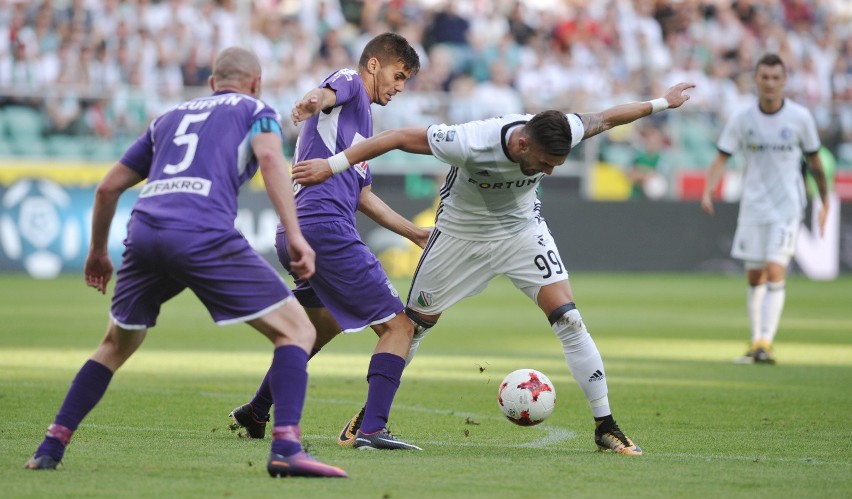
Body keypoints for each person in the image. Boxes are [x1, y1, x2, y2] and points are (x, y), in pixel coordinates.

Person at [292, 82, 697, 455]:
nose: (549, 171)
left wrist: (663, 102)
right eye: (544, 163)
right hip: (458, 238)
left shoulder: (561, 130)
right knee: (409, 328)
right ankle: (370, 417)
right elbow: (396, 137)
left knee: (569, 319)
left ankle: (605, 424)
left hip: (522, 233)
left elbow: (608, 117)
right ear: (521, 144)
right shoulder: (469, 140)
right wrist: (333, 165)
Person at [24, 47, 347, 478]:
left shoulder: (167, 117)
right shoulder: (256, 108)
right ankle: (286, 447)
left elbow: (106, 189)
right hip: (200, 230)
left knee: (115, 345)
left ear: (212, 84)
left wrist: (98, 252)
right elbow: (270, 158)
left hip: (143, 233)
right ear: (255, 83)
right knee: (299, 329)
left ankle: (51, 445)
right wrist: (296, 235)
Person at [227, 32, 429, 451]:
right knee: (399, 326)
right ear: (374, 65)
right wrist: (310, 101)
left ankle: (257, 409)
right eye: (398, 75)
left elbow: (363, 196)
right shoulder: (351, 83)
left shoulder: (364, 125)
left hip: (299, 231)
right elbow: (327, 92)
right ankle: (372, 429)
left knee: (319, 326)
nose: (399, 87)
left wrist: (412, 232)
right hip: (324, 227)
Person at [701, 53, 828, 365]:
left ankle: (766, 341)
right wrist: (708, 190)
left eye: (776, 78)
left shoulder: (800, 118)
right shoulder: (742, 118)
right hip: (754, 206)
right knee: (755, 275)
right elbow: (722, 156)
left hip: (788, 206)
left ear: (784, 81)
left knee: (775, 269)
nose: (770, 83)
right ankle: (757, 341)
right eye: (764, 77)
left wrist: (824, 199)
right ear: (756, 80)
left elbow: (815, 162)